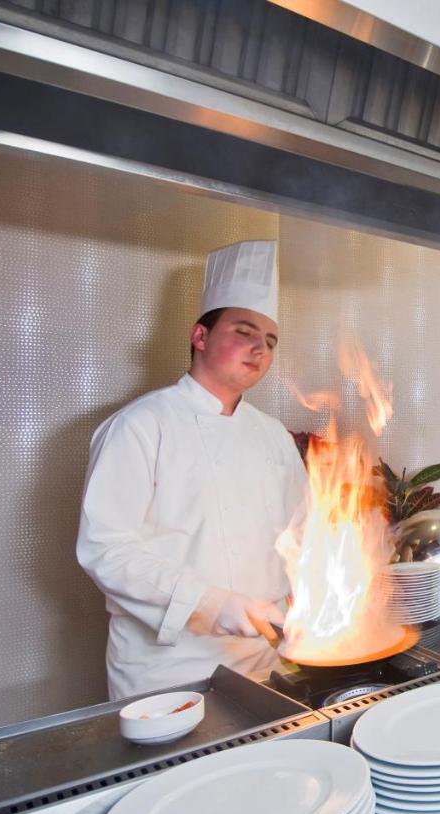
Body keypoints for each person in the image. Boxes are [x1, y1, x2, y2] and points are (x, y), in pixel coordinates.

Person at [77, 241, 307, 700]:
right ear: (200, 336)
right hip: (167, 669)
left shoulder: (273, 436)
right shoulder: (140, 426)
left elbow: (302, 536)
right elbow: (107, 550)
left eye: (270, 341)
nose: (259, 349)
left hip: (263, 662)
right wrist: (212, 603)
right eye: (244, 332)